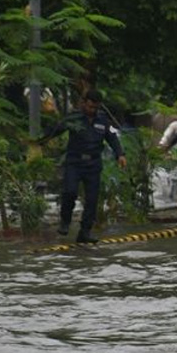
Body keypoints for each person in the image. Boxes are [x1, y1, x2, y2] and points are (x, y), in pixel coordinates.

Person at [38, 89, 127, 244]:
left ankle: (85, 232)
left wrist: (120, 154)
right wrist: (39, 141)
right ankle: (65, 221)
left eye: (95, 107)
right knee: (70, 192)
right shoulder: (74, 118)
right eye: (90, 106)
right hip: (75, 162)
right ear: (84, 103)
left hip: (93, 164)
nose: (92, 110)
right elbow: (56, 130)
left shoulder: (103, 120)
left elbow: (112, 138)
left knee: (92, 200)